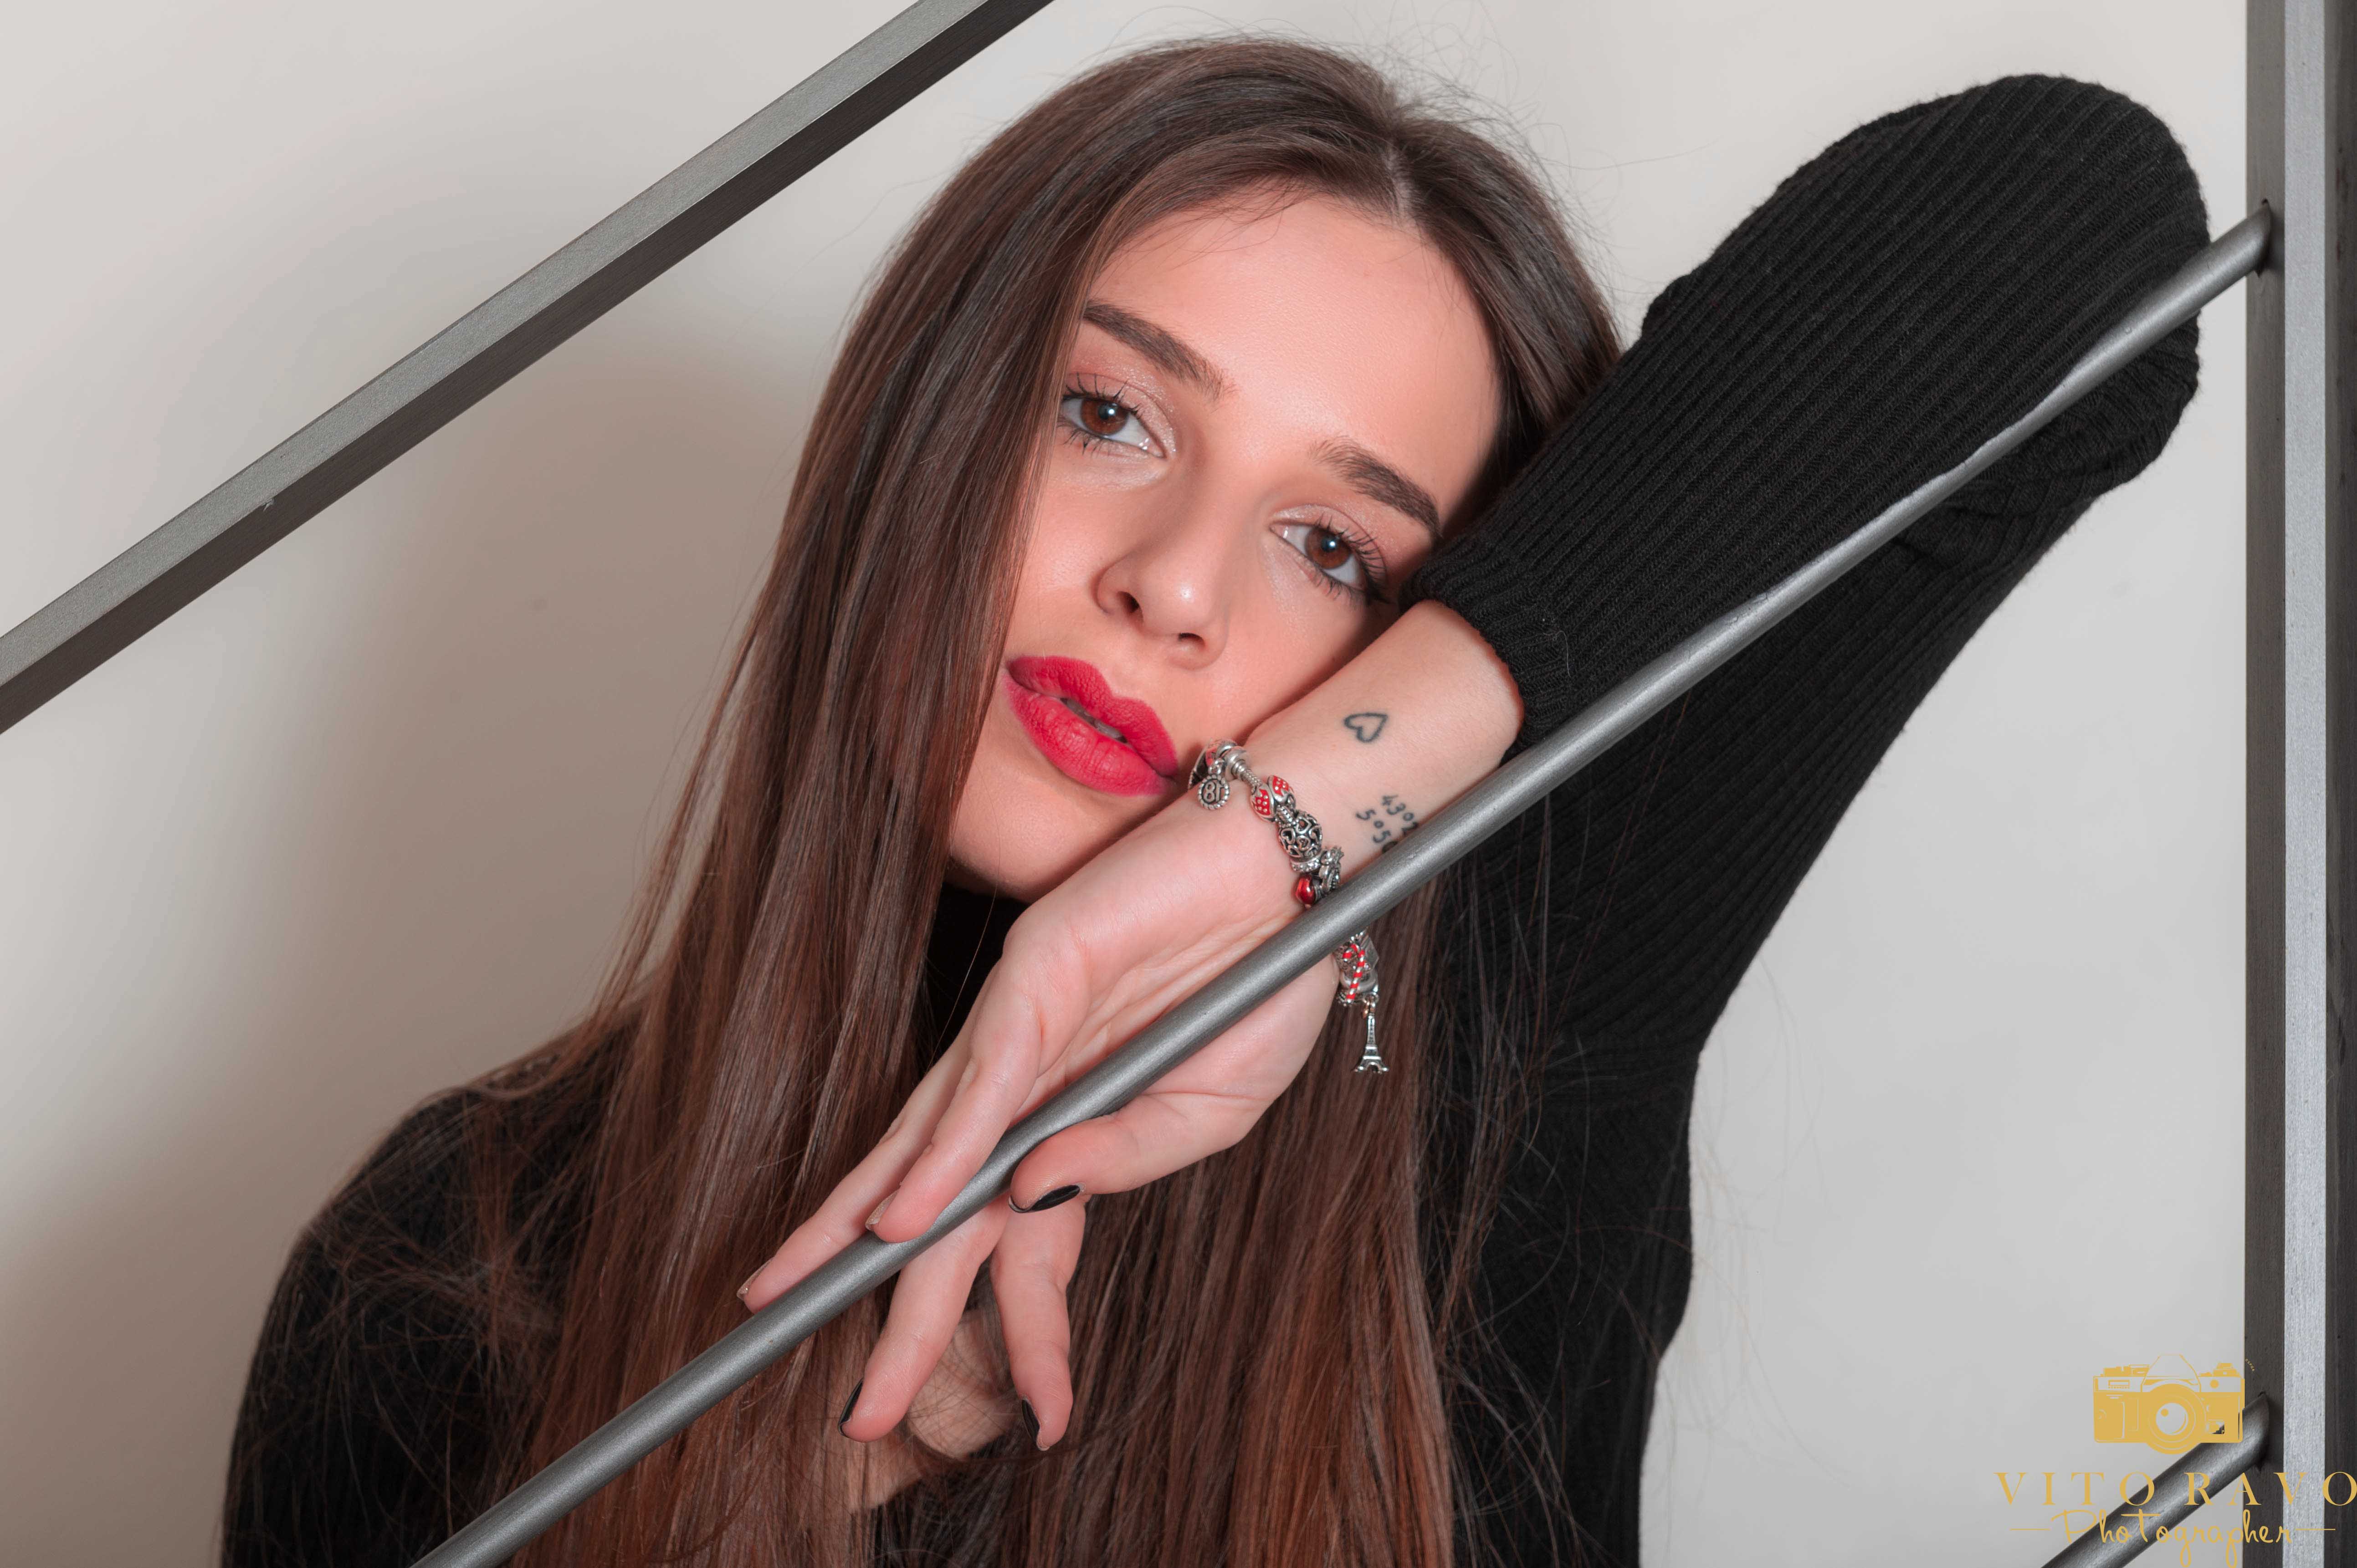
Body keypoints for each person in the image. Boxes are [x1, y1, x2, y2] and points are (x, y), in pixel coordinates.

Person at [220, 36, 2206, 1568]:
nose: (1173, 585)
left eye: (1337, 549)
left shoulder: (1501, 996)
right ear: (919, 435)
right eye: (1108, 416)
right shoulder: (456, 1253)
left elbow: (2082, 214)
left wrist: (1290, 841)